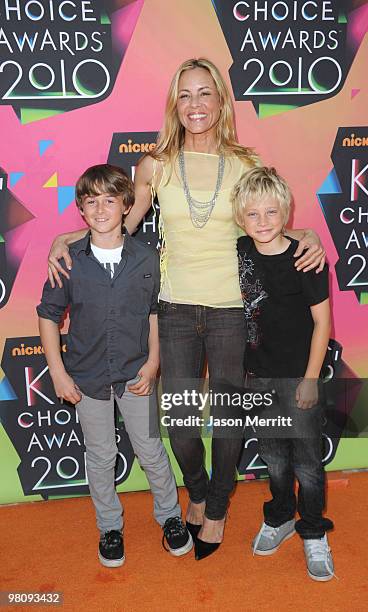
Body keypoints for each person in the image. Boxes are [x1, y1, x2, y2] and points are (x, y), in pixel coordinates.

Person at [47, 58, 325, 560]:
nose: (195, 105)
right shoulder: (154, 164)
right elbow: (120, 225)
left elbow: (270, 219)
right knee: (177, 425)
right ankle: (194, 490)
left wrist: (306, 234)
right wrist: (65, 238)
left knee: (226, 419)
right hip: (173, 308)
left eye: (204, 94)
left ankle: (215, 506)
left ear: (220, 100)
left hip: (231, 310)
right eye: (185, 95)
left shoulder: (244, 161)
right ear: (174, 104)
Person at [37, 164, 192, 568]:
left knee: (150, 449)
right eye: (91, 201)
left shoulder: (147, 257)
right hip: (86, 377)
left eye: (110, 199)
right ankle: (109, 526)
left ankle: (171, 518)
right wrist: (57, 371)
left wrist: (154, 362)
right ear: (81, 210)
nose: (101, 208)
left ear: (127, 205)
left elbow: (155, 312)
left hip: (136, 373)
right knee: (101, 454)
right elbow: (48, 315)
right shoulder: (67, 259)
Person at [232, 166, 335, 581]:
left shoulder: (305, 258)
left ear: (286, 212)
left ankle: (313, 530)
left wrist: (310, 378)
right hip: (257, 379)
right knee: (274, 459)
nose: (262, 222)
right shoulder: (238, 250)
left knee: (308, 464)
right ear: (241, 217)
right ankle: (279, 517)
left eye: (271, 213)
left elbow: (323, 324)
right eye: (253, 214)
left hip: (298, 378)